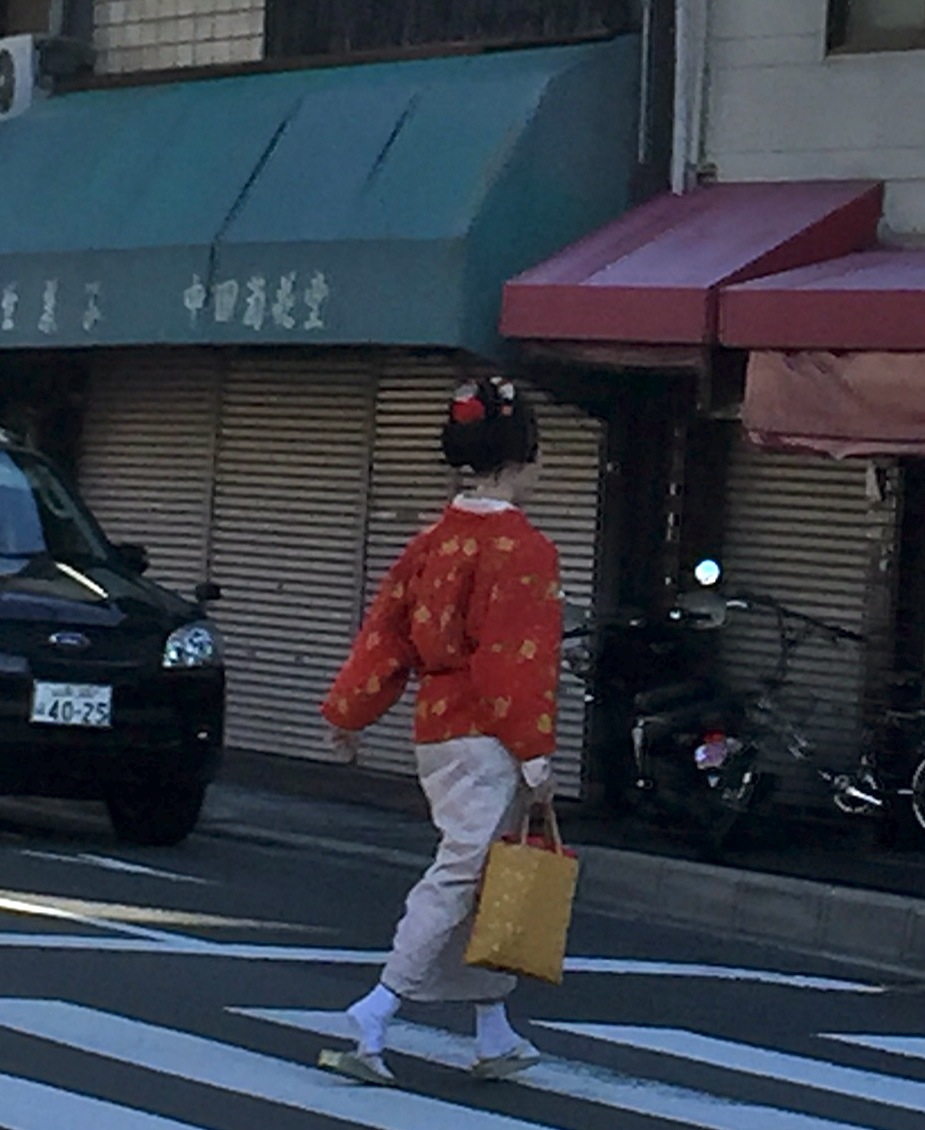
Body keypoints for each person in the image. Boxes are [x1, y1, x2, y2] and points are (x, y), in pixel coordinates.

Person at [319, 374, 563, 1086]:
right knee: (463, 872)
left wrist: (349, 712)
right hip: (491, 734)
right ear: (519, 459)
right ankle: (377, 1009)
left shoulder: (431, 542)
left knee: (484, 873)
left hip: (438, 727)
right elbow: (514, 662)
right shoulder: (523, 550)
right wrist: (535, 752)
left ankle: (493, 1029)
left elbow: (385, 636)